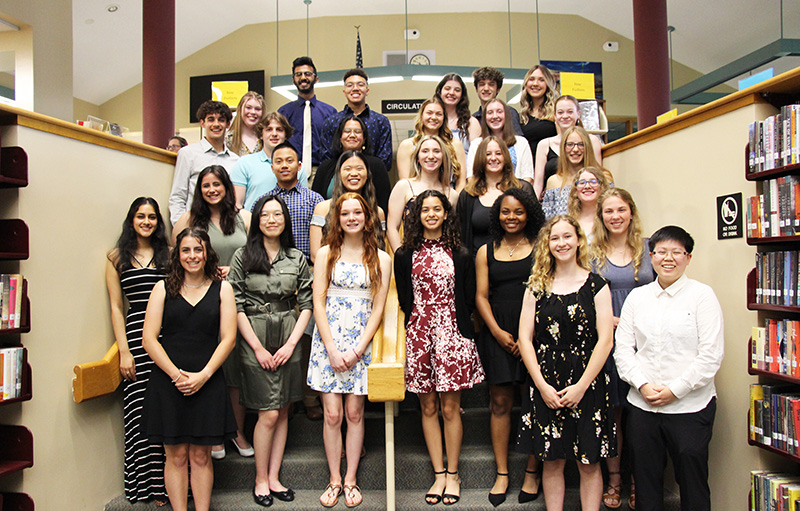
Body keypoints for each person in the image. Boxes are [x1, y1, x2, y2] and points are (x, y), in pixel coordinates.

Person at [614, 226, 724, 511]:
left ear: (688, 258)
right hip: (642, 405)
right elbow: (624, 350)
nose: (669, 258)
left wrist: (675, 390)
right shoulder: (637, 298)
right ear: (651, 256)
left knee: (693, 483)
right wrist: (643, 385)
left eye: (677, 252)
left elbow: (711, 355)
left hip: (690, 407)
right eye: (662, 252)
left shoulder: (702, 296)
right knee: (646, 484)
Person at [516, 215, 616, 511]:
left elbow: (605, 340)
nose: (561, 243)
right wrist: (542, 386)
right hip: (546, 382)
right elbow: (524, 339)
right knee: (552, 460)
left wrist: (581, 387)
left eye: (567, 236)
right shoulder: (535, 287)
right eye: (555, 238)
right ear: (547, 245)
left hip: (588, 382)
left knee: (589, 463)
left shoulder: (598, 285)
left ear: (578, 240)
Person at [394, 189, 485, 505]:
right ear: (416, 216)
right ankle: (438, 474)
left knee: (449, 407)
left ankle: (454, 474)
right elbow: (406, 298)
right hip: (420, 335)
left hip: (453, 334)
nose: (431, 214)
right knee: (428, 406)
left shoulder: (460, 253)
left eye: (437, 209)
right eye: (425, 210)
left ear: (446, 214)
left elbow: (470, 296)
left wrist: (451, 327)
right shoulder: (405, 254)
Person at [142, 227, 238, 511]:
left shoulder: (224, 288)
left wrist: (203, 376)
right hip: (169, 382)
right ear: (177, 254)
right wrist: (177, 376)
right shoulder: (163, 288)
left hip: (207, 381)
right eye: (186, 250)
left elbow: (229, 338)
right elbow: (149, 338)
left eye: (198, 249)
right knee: (176, 456)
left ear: (206, 251)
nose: (192, 256)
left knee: (200, 456)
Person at [227, 195, 313, 507]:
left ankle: (274, 476)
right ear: (257, 220)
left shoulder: (296, 257)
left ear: (285, 220)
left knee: (285, 409)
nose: (272, 219)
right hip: (254, 334)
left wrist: (292, 343)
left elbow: (307, 302)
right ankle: (260, 478)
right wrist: (257, 347)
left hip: (288, 335)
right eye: (266, 215)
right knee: (268, 412)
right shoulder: (243, 255)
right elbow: (234, 303)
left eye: (278, 214)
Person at [308, 193, 392, 508]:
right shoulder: (326, 253)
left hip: (360, 345)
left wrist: (358, 350)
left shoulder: (382, 258)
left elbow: (379, 309)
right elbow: (318, 301)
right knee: (332, 414)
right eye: (346, 213)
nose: (352, 217)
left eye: (358, 212)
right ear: (337, 219)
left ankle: (351, 479)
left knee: (354, 413)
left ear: (367, 217)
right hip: (328, 343)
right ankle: (333, 479)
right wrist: (331, 348)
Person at [172, 165, 252, 460]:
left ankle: (237, 431)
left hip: (240, 300)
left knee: (236, 371)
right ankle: (214, 433)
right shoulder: (188, 220)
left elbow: (257, 256)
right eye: (206, 185)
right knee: (211, 368)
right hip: (203, 303)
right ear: (199, 190)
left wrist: (235, 270)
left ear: (227, 187)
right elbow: (177, 261)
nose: (212, 190)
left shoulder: (244, 218)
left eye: (217, 184)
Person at [474, 188, 545, 506]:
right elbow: (480, 296)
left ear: (528, 213)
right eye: (505, 212)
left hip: (537, 332)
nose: (512, 217)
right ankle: (502, 473)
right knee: (500, 403)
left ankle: (533, 470)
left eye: (518, 211)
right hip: (498, 333)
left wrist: (525, 335)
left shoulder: (541, 247)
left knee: (534, 402)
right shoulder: (484, 251)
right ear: (496, 215)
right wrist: (499, 333)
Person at [590, 187, 655, 510]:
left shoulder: (649, 249)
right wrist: (613, 320)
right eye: (609, 212)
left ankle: (638, 481)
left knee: (641, 416)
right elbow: (585, 296)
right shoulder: (592, 253)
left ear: (631, 211)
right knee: (613, 414)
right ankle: (614, 479)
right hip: (609, 341)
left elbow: (663, 291)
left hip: (648, 344)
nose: (615, 217)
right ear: (601, 217)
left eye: (621, 210)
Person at [105, 197, 171, 505]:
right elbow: (117, 308)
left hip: (166, 339)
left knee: (166, 413)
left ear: (159, 222)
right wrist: (124, 352)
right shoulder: (116, 257)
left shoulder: (169, 256)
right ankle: (141, 486)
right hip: (134, 340)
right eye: (140, 216)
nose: (146, 221)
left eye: (152, 217)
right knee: (138, 415)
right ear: (131, 219)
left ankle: (164, 487)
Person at [457, 136, 536, 256]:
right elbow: (461, 235)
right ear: (480, 158)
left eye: (498, 153)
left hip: (518, 261)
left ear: (505, 157)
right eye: (488, 154)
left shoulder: (522, 188)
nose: (493, 158)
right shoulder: (468, 194)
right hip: (477, 264)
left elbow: (536, 227)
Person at [169, 100, 238, 225]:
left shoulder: (236, 160)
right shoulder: (187, 154)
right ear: (202, 123)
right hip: (195, 226)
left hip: (225, 227)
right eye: (211, 119)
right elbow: (178, 196)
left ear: (228, 124)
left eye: (221, 120)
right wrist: (181, 228)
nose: (216, 124)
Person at [386, 135, 459, 252]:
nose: (431, 156)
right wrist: (401, 258)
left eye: (436, 151)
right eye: (425, 151)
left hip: (443, 261)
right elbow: (392, 227)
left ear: (443, 157)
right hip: (411, 258)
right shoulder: (403, 187)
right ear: (417, 158)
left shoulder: (452, 195)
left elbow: (453, 232)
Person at [310, 150, 385, 262]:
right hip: (330, 273)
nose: (354, 173)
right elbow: (315, 256)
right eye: (348, 169)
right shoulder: (322, 208)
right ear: (339, 174)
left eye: (359, 169)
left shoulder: (377, 212)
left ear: (367, 174)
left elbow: (380, 253)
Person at [255, 141, 323, 262]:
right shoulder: (262, 201)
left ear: (299, 166)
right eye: (279, 161)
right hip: (271, 267)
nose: (284, 165)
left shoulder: (315, 200)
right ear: (272, 168)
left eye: (289, 161)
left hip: (308, 266)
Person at [230, 112, 309, 212]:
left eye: (279, 130)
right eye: (269, 129)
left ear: (285, 135)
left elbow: (305, 202)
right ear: (261, 135)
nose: (274, 134)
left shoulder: (297, 167)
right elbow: (237, 205)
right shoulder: (244, 164)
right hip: (252, 225)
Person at [311, 115, 391, 213]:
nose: (352, 135)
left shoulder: (377, 165)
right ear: (340, 137)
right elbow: (315, 202)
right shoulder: (325, 167)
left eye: (357, 131)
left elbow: (384, 203)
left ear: (364, 138)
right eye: (347, 131)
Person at [320, 68, 393, 173]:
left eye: (360, 84)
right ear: (344, 92)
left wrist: (363, 174)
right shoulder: (331, 122)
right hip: (338, 180)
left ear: (367, 91)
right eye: (350, 85)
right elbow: (326, 158)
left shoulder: (380, 122)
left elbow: (385, 160)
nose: (355, 88)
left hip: (373, 180)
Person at [534, 95, 603, 198]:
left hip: (585, 198)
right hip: (554, 199)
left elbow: (598, 175)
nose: (565, 116)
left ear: (578, 114)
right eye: (560, 112)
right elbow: (538, 184)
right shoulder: (544, 144)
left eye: (570, 112)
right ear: (555, 116)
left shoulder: (592, 141)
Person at [278, 56, 337, 178]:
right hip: (290, 171)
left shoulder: (330, 112)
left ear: (316, 79)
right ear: (293, 79)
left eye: (308, 74)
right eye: (298, 74)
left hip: (321, 172)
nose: (303, 78)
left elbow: (334, 145)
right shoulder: (283, 112)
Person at [396, 97, 467, 191]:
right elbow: (406, 184)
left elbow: (461, 183)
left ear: (444, 118)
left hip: (449, 199)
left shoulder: (455, 145)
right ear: (422, 116)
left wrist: (453, 202)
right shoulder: (407, 145)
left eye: (439, 114)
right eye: (429, 113)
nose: (433, 117)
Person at [541, 126, 606, 219]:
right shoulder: (553, 182)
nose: (575, 149)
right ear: (563, 148)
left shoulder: (603, 178)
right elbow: (548, 222)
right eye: (570, 144)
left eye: (581, 144)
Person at [466, 98, 534, 184]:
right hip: (484, 194)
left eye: (499, 111)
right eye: (490, 112)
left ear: (507, 115)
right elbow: (472, 177)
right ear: (484, 117)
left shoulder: (521, 142)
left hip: (516, 195)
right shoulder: (476, 144)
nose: (495, 116)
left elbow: (527, 177)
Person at [434, 73, 481, 154]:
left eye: (457, 90)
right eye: (447, 88)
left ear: (462, 95)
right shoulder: (432, 121)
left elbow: (477, 157)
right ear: (439, 92)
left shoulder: (471, 122)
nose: (452, 93)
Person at [519, 65, 558, 161]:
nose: (535, 84)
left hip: (550, 167)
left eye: (541, 80)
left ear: (548, 84)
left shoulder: (556, 113)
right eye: (531, 79)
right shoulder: (522, 116)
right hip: (528, 168)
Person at [471, 66, 523, 135]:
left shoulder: (509, 112)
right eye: (482, 84)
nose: (486, 88)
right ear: (476, 89)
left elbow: (517, 141)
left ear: (498, 89)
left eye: (491, 84)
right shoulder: (474, 119)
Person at [567, 166, 610, 243]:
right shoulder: (568, 222)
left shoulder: (609, 219)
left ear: (602, 186)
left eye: (593, 182)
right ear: (575, 189)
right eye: (582, 183)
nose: (587, 186)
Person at [226, 91, 266, 156]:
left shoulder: (266, 139)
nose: (253, 112)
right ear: (240, 109)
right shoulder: (228, 139)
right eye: (248, 108)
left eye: (257, 109)